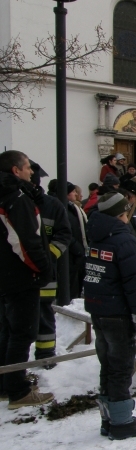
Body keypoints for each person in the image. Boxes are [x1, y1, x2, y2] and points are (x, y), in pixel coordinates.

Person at [83, 192, 136, 440]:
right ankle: (122, 421)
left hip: (98, 308)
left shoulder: (96, 234)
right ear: (122, 213)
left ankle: (107, 419)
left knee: (107, 364)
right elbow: (133, 282)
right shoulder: (123, 239)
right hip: (118, 311)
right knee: (122, 366)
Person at [0, 150, 55, 409]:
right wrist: (42, 268)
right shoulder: (17, 198)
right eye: (26, 167)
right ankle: (18, 390)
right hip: (20, 275)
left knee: (8, 330)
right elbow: (24, 241)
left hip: (8, 273)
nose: (31, 171)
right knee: (22, 332)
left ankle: (7, 381)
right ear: (15, 171)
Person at [27, 161, 72, 364]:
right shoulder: (16, 203)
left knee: (44, 314)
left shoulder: (52, 206)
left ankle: (45, 355)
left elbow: (64, 236)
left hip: (45, 274)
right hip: (17, 276)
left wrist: (48, 258)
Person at [67, 182, 88, 299]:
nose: (76, 194)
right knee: (72, 285)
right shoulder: (67, 209)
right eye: (73, 191)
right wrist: (78, 249)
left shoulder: (76, 208)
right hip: (73, 253)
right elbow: (67, 232)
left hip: (79, 252)